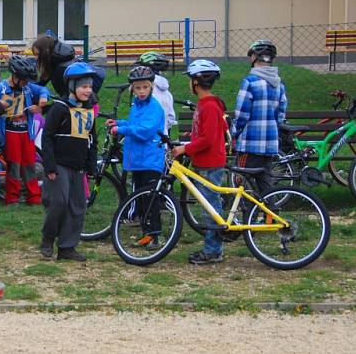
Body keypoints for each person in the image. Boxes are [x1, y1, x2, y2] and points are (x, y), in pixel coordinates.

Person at [40, 62, 99, 262]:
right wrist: (49, 166)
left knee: (77, 206)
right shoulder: (59, 109)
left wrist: (91, 166)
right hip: (59, 165)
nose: (88, 90)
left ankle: (67, 247)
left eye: (90, 87)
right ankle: (48, 237)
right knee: (59, 203)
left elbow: (92, 140)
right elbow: (46, 138)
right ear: (72, 87)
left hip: (79, 166)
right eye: (83, 86)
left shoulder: (90, 111)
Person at [171, 60, 227, 264]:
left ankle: (213, 250)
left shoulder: (210, 106)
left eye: (190, 80)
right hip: (204, 161)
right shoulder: (204, 105)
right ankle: (213, 248)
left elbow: (208, 139)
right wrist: (190, 139)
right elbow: (203, 133)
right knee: (208, 206)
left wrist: (185, 148)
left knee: (210, 208)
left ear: (196, 81)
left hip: (210, 163)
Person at [107, 66, 165, 250]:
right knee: (140, 199)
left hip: (149, 159)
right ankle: (146, 233)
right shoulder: (137, 106)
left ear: (151, 87)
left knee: (150, 200)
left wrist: (122, 130)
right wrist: (120, 123)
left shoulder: (154, 107)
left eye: (145, 87)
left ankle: (155, 236)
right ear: (133, 88)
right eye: (137, 88)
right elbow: (134, 124)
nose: (141, 91)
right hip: (137, 160)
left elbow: (145, 131)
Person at [0, 55, 49, 205]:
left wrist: (42, 99)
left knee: (29, 164)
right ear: (15, 76)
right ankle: (12, 197)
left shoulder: (27, 88)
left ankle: (34, 197)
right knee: (14, 166)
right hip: (10, 133)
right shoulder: (2, 87)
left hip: (26, 133)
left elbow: (43, 89)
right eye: (23, 80)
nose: (25, 83)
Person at [232, 40, 287, 196]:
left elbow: (241, 115)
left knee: (242, 183)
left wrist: (233, 134)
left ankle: (247, 216)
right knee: (265, 184)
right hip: (270, 145)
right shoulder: (279, 85)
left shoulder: (250, 83)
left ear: (254, 57)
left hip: (249, 145)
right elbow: (281, 115)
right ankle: (270, 215)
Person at [136, 51, 176, 135]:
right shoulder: (166, 91)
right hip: (164, 134)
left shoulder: (147, 92)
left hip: (148, 135)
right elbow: (171, 117)